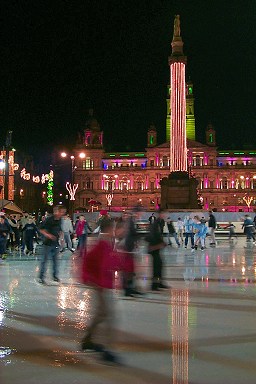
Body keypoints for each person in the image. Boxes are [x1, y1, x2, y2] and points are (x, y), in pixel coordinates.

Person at [80, 219, 126, 364]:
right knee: (109, 316)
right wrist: (91, 279)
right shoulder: (103, 243)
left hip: (103, 284)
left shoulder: (108, 243)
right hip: (100, 285)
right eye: (116, 228)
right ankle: (107, 349)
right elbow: (90, 261)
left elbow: (111, 262)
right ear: (110, 229)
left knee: (101, 315)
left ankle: (87, 339)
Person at [38, 206, 66, 284]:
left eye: (63, 212)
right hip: (47, 243)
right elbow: (41, 229)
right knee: (44, 261)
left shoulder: (60, 220)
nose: (62, 214)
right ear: (56, 212)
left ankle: (55, 276)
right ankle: (41, 277)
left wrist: (62, 238)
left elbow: (60, 230)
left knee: (55, 261)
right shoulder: (49, 220)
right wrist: (48, 235)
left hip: (55, 243)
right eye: (61, 212)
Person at [145, 210, 168, 291]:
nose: (165, 215)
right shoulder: (156, 223)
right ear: (160, 214)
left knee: (159, 265)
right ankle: (154, 285)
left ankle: (159, 283)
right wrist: (159, 244)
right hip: (154, 247)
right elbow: (153, 235)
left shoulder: (160, 222)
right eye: (164, 213)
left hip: (156, 247)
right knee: (156, 266)